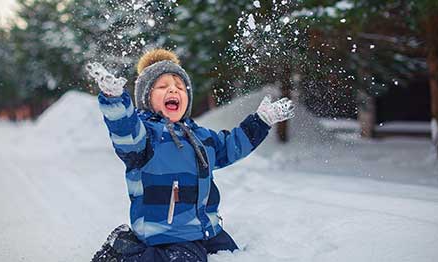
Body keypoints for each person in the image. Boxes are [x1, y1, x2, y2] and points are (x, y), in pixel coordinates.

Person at [87, 49, 295, 262]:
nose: (173, 90)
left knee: (235, 256)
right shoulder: (145, 137)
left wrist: (260, 121)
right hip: (166, 234)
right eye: (162, 86)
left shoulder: (199, 136)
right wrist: (115, 100)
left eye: (180, 86)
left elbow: (232, 145)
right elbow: (125, 131)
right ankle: (129, 253)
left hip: (206, 230)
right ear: (145, 98)